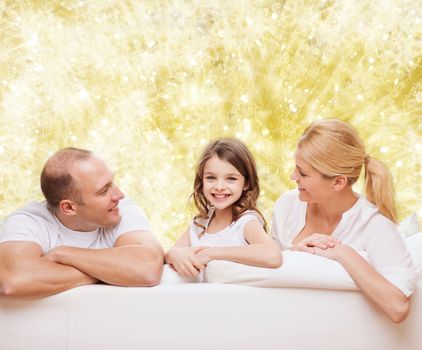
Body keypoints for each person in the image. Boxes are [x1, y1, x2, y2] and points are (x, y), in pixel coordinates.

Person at [271, 119, 415, 323]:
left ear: (338, 182)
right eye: (297, 168)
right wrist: (295, 254)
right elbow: (269, 268)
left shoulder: (374, 225)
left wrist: (343, 253)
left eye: (303, 173)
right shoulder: (287, 206)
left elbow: (398, 307)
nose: (293, 176)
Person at [0, 147, 163, 298]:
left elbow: (148, 268)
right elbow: (13, 281)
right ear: (69, 207)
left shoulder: (120, 208)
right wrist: (114, 272)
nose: (119, 194)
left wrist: (62, 253)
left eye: (112, 182)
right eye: (104, 190)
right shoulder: (28, 221)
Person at [165, 137, 282, 278]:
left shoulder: (245, 222)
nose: (219, 187)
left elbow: (273, 255)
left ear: (246, 183)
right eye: (211, 178)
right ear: (201, 181)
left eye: (231, 179)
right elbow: (170, 257)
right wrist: (173, 254)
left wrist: (210, 253)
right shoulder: (200, 224)